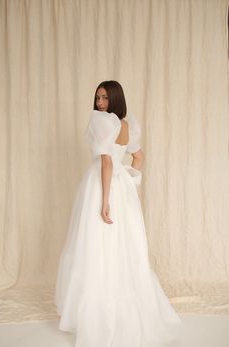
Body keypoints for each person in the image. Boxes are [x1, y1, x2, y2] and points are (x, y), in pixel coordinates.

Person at [54, 80, 182, 347]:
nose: (100, 103)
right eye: (98, 98)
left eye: (105, 98)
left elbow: (106, 161)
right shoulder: (127, 125)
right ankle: (124, 313)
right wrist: (131, 182)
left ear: (114, 99)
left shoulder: (102, 121)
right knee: (123, 246)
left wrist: (105, 198)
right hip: (122, 189)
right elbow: (138, 157)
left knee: (97, 245)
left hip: (105, 186)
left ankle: (99, 319)